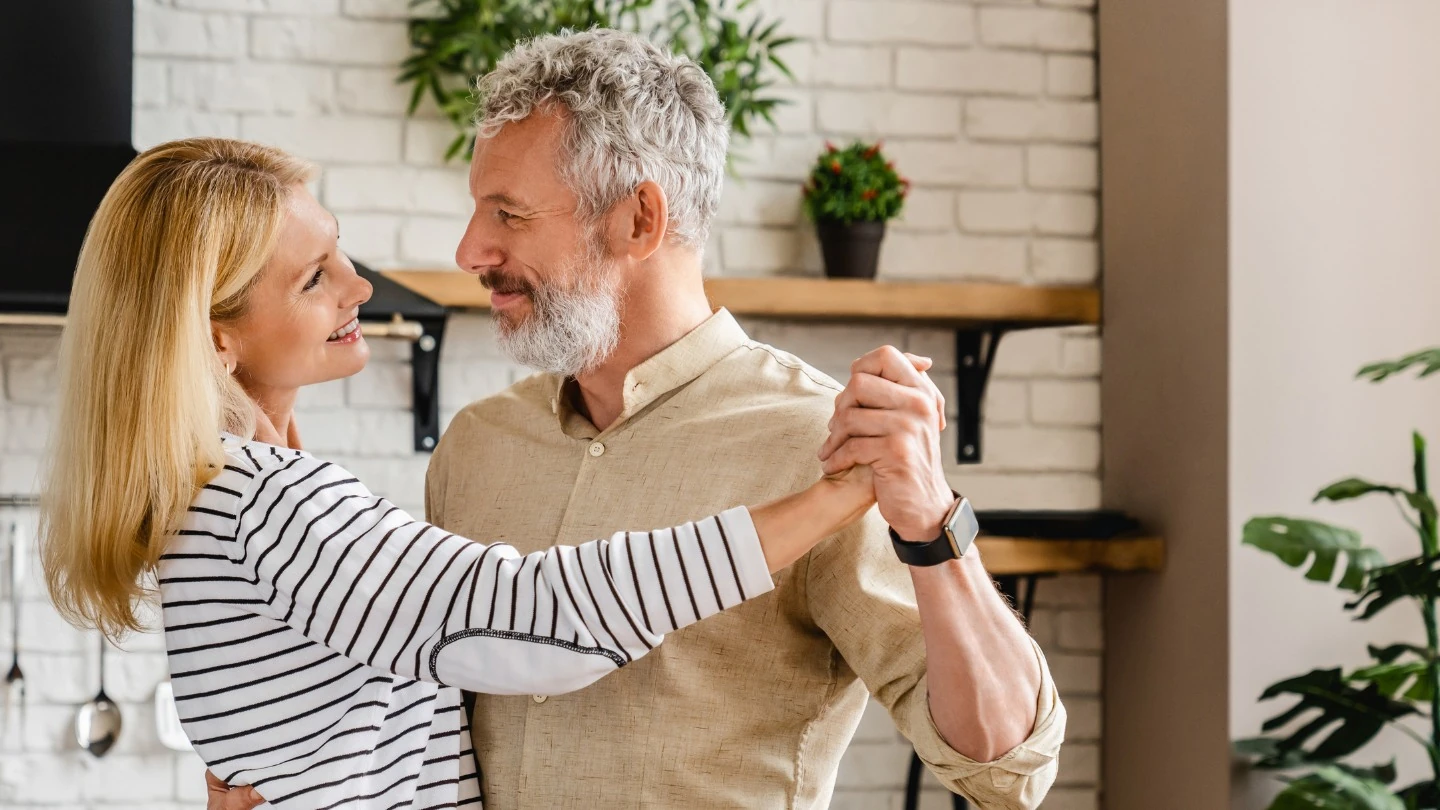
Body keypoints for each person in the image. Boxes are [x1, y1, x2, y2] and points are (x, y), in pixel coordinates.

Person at [209, 28, 1066, 810]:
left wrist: (931, 527)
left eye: (508, 213)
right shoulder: (477, 446)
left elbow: (1004, 766)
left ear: (638, 219)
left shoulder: (826, 444)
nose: (470, 251)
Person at [38, 137, 919, 808]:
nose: (360, 286)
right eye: (315, 278)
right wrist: (837, 494)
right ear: (218, 337)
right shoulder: (270, 504)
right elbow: (540, 622)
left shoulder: (221, 496)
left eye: (339, 251)